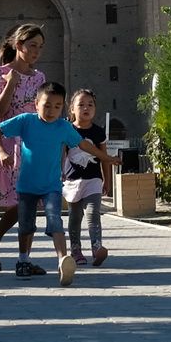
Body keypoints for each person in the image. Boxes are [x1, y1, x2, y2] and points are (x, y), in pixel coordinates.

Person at [0, 24, 47, 272]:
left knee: (31, 202)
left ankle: (20, 258)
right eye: (32, 45)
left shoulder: (39, 78)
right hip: (9, 145)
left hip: (33, 145)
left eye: (40, 46)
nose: (36, 51)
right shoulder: (1, 74)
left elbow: (42, 113)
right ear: (18, 46)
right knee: (23, 202)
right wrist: (10, 84)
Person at [0, 82, 82, 280]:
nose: (51, 111)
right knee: (26, 225)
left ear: (63, 107)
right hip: (27, 186)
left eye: (57, 107)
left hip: (51, 186)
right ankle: (23, 261)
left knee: (55, 220)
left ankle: (62, 261)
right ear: (36, 103)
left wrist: (105, 157)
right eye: (47, 105)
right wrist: (2, 152)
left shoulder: (63, 127)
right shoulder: (26, 121)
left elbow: (81, 144)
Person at [59, 88, 118, 275]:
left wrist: (107, 181)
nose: (86, 108)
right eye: (81, 104)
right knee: (75, 217)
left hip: (93, 180)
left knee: (93, 213)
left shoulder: (98, 132)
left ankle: (97, 248)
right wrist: (59, 174)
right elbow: (61, 153)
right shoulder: (67, 130)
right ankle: (75, 250)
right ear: (72, 109)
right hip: (72, 181)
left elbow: (104, 158)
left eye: (90, 104)